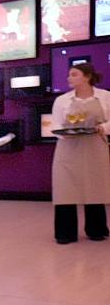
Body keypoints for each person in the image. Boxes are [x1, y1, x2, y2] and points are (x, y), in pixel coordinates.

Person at [49, 63, 110, 244]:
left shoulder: (106, 97)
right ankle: (65, 233)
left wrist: (103, 127)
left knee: (95, 186)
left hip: (95, 146)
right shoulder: (61, 100)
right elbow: (56, 124)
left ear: (87, 76)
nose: (69, 78)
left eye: (74, 74)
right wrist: (66, 133)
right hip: (68, 147)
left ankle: (96, 229)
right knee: (65, 189)